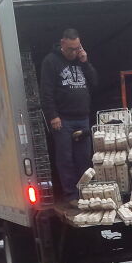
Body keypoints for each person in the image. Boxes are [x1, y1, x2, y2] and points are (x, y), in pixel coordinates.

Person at [40, 28, 98, 200]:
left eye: (77, 48)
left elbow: (94, 83)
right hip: (63, 119)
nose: (74, 52)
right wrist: (53, 115)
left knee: (84, 157)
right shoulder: (51, 61)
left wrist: (85, 62)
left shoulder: (81, 60)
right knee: (66, 158)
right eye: (71, 49)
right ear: (63, 43)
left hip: (82, 117)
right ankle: (71, 194)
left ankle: (85, 192)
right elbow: (46, 92)